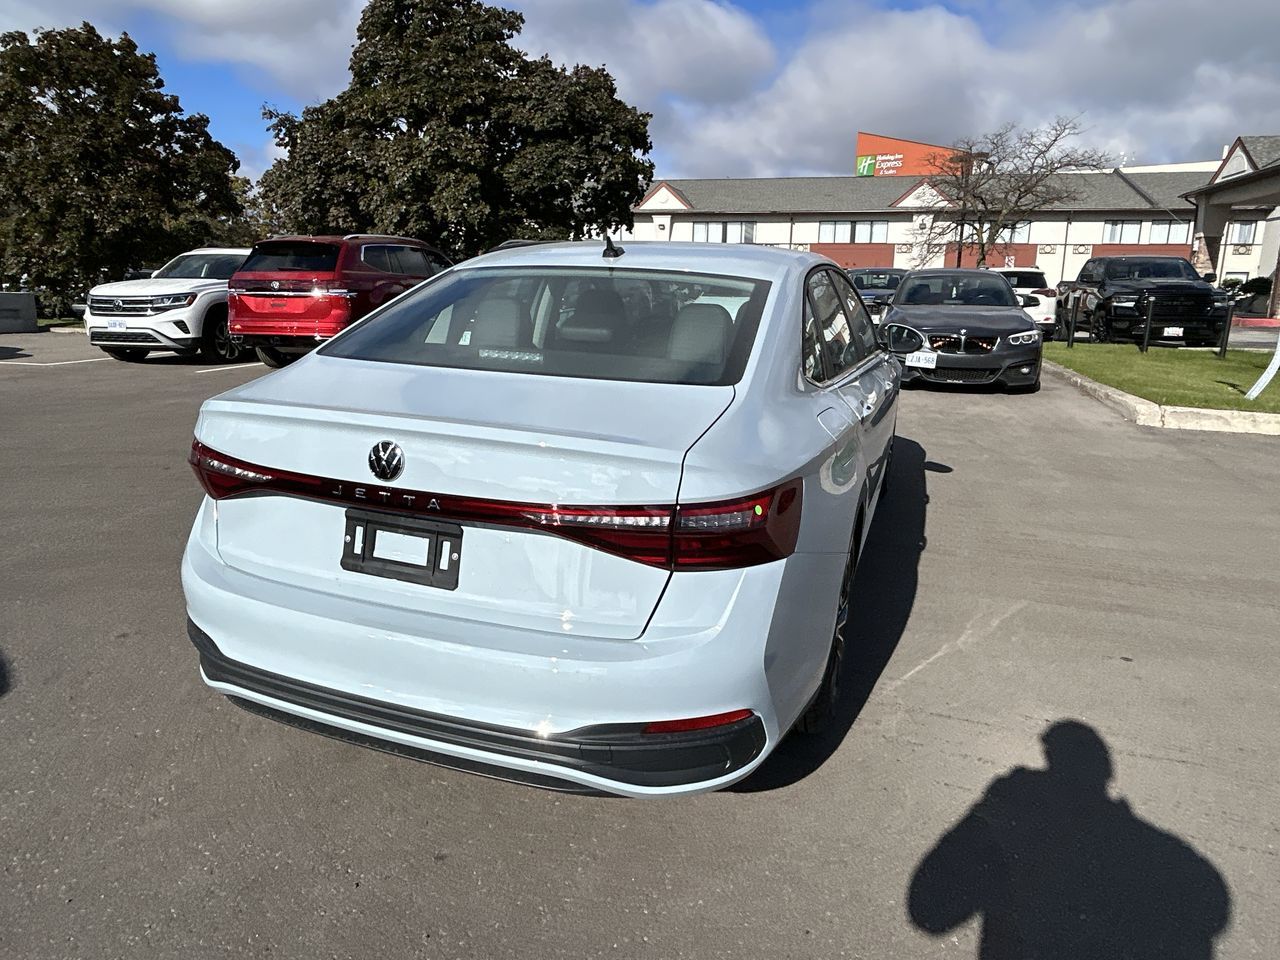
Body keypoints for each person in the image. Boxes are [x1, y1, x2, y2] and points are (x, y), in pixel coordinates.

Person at [908, 721, 1230, 960]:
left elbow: (930, 911)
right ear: (1106, 774)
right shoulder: (1161, 854)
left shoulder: (1016, 812)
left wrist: (988, 814)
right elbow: (1208, 912)